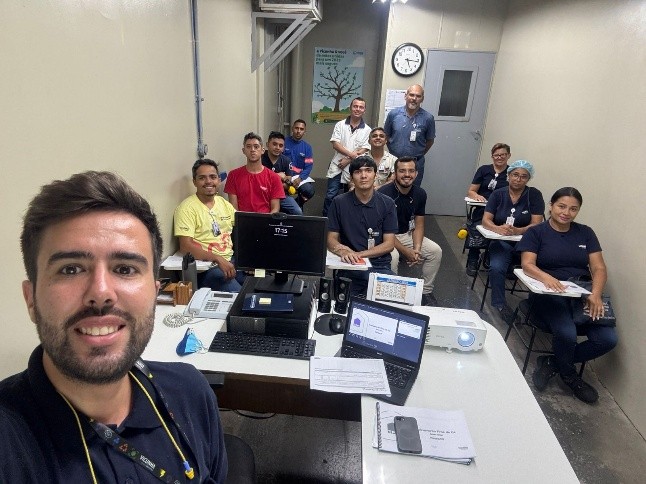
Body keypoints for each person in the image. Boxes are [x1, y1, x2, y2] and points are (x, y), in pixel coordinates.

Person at [0, 171, 227, 482]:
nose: (101, 293)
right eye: (70, 269)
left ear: (155, 293)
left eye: (125, 269)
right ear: (31, 300)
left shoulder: (191, 393)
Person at [517, 187, 617, 404]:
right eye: (561, 206)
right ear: (551, 206)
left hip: (581, 294)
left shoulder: (586, 233)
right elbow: (527, 264)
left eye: (573, 209)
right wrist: (546, 277)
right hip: (548, 294)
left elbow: (598, 268)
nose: (566, 212)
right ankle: (570, 376)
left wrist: (596, 294)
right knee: (567, 333)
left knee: (607, 340)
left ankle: (553, 362)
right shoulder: (537, 232)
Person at [482, 159, 544, 322]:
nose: (518, 179)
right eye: (515, 175)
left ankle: (535, 307)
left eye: (524, 176)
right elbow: (486, 220)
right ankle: (500, 304)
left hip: (527, 244)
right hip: (501, 241)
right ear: (508, 175)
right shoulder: (498, 194)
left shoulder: (534, 195)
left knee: (545, 266)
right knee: (497, 267)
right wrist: (498, 229)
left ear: (528, 179)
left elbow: (537, 224)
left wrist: (518, 231)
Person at [327, 155, 398, 296]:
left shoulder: (387, 203)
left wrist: (359, 254)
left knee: (395, 299)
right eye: (358, 172)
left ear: (375, 175)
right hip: (349, 265)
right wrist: (344, 252)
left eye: (368, 170)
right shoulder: (339, 202)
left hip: (379, 264)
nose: (364, 176)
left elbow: (389, 244)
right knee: (344, 304)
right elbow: (330, 239)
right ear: (351, 178)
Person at [379, 156, 443, 306]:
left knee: (435, 251)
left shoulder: (420, 194)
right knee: (393, 257)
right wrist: (406, 252)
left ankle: (425, 292)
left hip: (406, 233)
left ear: (416, 173)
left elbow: (419, 224)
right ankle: (391, 295)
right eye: (402, 171)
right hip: (385, 236)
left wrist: (416, 249)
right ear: (395, 173)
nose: (407, 174)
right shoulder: (383, 194)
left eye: (411, 171)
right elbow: (383, 230)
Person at [175, 159, 245, 292]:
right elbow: (185, 246)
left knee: (260, 285)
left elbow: (242, 230)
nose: (208, 181)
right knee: (239, 297)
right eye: (202, 178)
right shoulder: (187, 208)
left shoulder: (223, 203)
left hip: (231, 261)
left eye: (212, 177)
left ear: (219, 180)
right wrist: (218, 259)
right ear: (194, 181)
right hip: (207, 268)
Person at [465, 143, 511, 276]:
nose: (499, 157)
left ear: (509, 155)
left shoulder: (512, 172)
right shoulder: (484, 170)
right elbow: (471, 191)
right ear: (492, 156)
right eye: (496, 155)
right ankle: (473, 258)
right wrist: (477, 196)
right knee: (477, 226)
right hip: (483, 208)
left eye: (503, 154)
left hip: (502, 210)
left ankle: (494, 257)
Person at [322, 97, 371, 215]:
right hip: (338, 164)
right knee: (331, 195)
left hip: (355, 167)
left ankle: (345, 219)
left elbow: (365, 148)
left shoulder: (367, 129)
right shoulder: (340, 125)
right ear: (350, 108)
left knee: (350, 196)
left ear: (364, 110)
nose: (358, 109)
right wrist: (350, 155)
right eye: (355, 106)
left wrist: (348, 160)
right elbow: (335, 144)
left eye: (361, 107)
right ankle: (326, 219)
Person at [384, 84, 436, 186]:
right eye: (411, 95)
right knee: (391, 190)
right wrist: (394, 151)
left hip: (416, 163)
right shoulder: (393, 114)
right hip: (394, 161)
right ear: (406, 96)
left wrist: (418, 153)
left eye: (418, 96)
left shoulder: (428, 118)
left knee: (413, 191)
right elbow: (387, 135)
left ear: (422, 99)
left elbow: (430, 141)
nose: (414, 98)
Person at [225, 132, 284, 213]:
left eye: (256, 147)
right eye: (248, 147)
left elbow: (275, 209)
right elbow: (233, 209)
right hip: (242, 220)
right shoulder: (233, 175)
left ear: (263, 150)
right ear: (243, 151)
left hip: (265, 219)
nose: (252, 150)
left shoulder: (274, 177)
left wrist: (266, 220)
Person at [261, 131, 303, 215]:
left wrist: (282, 180)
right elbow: (259, 181)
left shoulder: (286, 161)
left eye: (281, 145)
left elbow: (288, 183)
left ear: (283, 148)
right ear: (267, 144)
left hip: (281, 195)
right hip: (262, 194)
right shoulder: (260, 159)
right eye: (274, 144)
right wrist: (278, 176)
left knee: (298, 211)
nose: (277, 148)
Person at [283, 119, 316, 207]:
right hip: (284, 176)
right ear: (292, 129)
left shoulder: (307, 147)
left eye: (301, 129)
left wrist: (300, 178)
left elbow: (308, 167)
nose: (298, 131)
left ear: (304, 131)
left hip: (298, 178)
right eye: (296, 128)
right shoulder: (284, 142)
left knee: (309, 191)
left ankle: (295, 206)